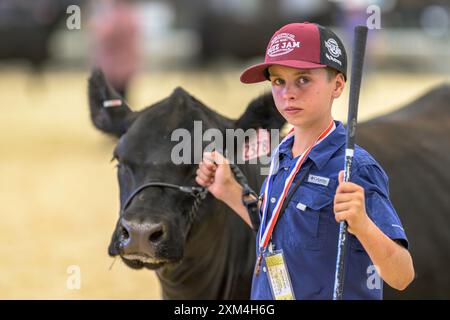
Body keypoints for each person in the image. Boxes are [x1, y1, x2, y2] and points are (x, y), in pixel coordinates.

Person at [195, 22, 414, 300]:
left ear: (337, 85)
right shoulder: (282, 153)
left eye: (303, 79)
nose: (288, 93)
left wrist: (363, 225)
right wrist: (229, 191)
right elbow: (280, 228)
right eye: (278, 81)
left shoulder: (355, 168)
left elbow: (402, 275)